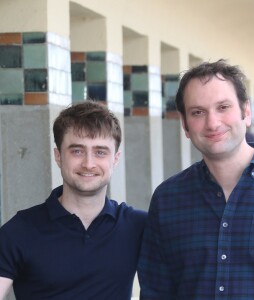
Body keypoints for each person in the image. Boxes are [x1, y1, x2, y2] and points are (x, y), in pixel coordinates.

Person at [138, 59, 254, 299]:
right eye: (198, 112)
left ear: (246, 112)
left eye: (223, 107)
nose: (212, 123)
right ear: (184, 124)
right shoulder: (168, 199)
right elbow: (156, 292)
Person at [0, 101, 147, 300]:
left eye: (100, 152)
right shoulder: (20, 230)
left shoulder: (137, 225)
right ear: (58, 156)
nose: (88, 163)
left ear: (116, 158)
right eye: (77, 151)